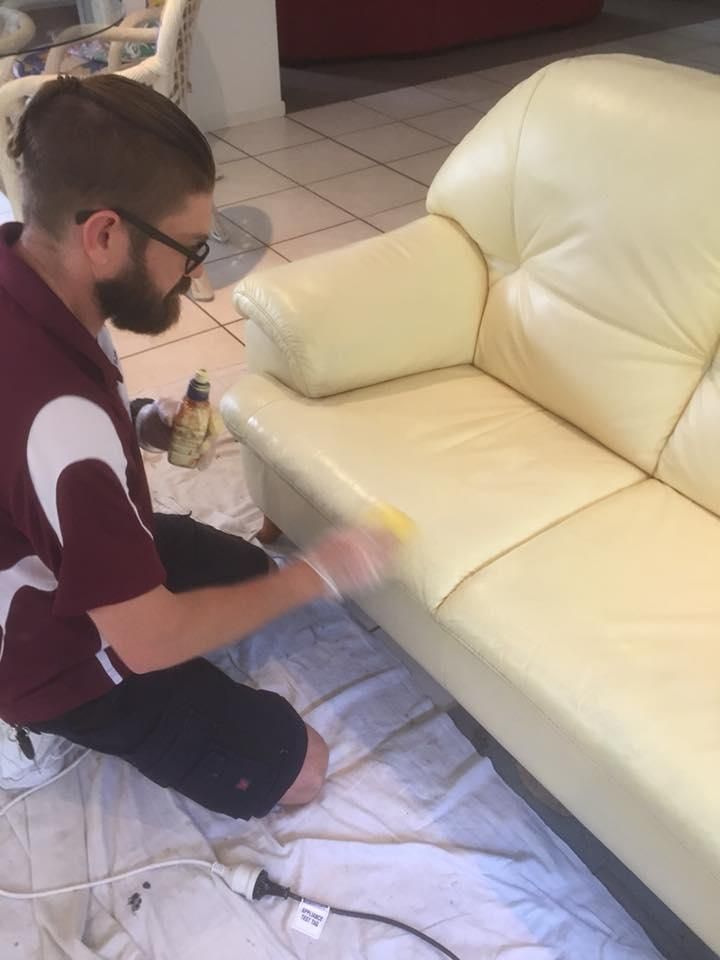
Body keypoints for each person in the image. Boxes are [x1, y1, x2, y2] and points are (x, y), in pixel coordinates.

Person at [0, 74, 398, 819]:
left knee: (245, 570)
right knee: (300, 768)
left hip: (49, 539)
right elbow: (149, 642)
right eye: (188, 248)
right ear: (104, 235)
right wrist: (318, 572)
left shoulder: (29, 266)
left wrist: (145, 419)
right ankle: (31, 722)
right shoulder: (59, 424)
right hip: (40, 646)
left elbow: (63, 435)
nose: (199, 272)